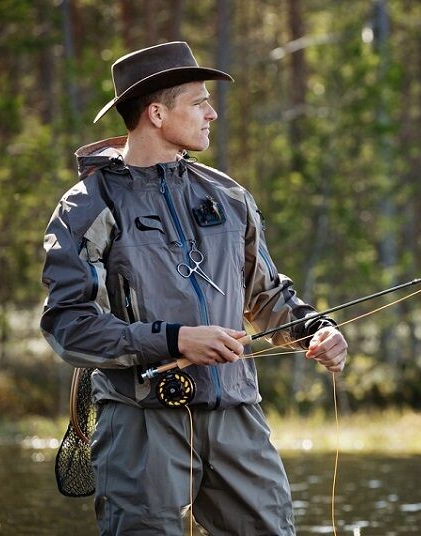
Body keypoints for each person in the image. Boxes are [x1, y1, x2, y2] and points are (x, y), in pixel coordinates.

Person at [40, 41, 347, 535]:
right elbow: (69, 327)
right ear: (157, 113)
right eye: (199, 102)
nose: (213, 112)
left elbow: (265, 295)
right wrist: (174, 340)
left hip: (236, 417)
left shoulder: (228, 195)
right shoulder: (86, 206)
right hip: (140, 423)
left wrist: (316, 331)